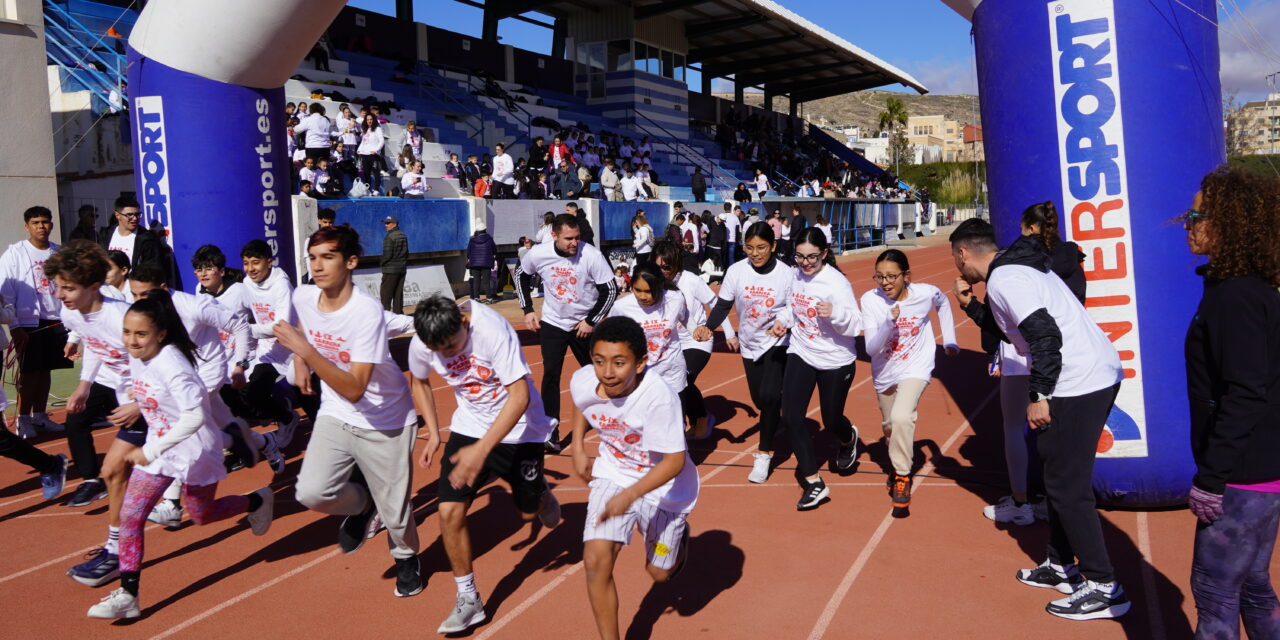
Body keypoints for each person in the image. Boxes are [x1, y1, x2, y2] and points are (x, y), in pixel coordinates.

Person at [951, 217, 1128, 620]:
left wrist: (1039, 395)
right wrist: (971, 308)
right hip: (1084, 375)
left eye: (955, 259)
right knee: (1055, 476)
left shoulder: (1005, 279)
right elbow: (1010, 331)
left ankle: (1104, 586)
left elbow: (1045, 336)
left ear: (963, 253)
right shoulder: (1014, 269)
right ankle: (1060, 563)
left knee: (1067, 485)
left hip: (1079, 380)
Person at [84, 293, 274, 619]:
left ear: (160, 333)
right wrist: (135, 396)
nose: (131, 340)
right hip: (162, 450)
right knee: (131, 515)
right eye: (127, 333)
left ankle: (256, 501)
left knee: (201, 514)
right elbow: (147, 386)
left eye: (140, 334)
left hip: (195, 449)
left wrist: (150, 449)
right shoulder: (139, 356)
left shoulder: (174, 366)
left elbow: (195, 417)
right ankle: (129, 593)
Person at [276, 224, 423, 596]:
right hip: (337, 412)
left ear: (351, 262)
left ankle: (406, 557)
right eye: (312, 258)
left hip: (386, 419)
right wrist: (298, 359)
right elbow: (300, 329)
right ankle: (361, 505)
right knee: (310, 492)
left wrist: (307, 353)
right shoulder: (305, 296)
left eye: (328, 257)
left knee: (397, 513)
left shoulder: (365, 312)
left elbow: (356, 388)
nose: (318, 266)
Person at [407, 296, 561, 634]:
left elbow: (519, 396)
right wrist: (434, 433)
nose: (447, 356)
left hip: (520, 428)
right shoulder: (423, 341)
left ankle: (541, 494)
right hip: (470, 425)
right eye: (439, 351)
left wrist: (480, 453)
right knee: (449, 511)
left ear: (464, 324)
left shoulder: (491, 330)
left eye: (452, 347)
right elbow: (418, 381)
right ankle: (468, 598)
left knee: (533, 505)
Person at [1182, 167, 1280, 638]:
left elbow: (1244, 391)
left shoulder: (1237, 296)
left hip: (1242, 475)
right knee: (1253, 585)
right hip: (1261, 469)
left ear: (1230, 222)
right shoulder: (1244, 288)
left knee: (1215, 593)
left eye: (1197, 214)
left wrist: (1211, 478)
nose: (1188, 223)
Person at [569, 316, 697, 640]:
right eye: (599, 361)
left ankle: (679, 542)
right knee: (596, 562)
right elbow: (582, 402)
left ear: (640, 363)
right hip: (613, 473)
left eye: (619, 363)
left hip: (665, 489)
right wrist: (577, 447)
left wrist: (628, 497)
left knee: (659, 572)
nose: (607, 372)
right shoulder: (584, 380)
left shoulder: (659, 398)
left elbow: (673, 463)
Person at [979, 201, 1085, 525]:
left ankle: (1021, 502)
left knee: (1014, 427)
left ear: (1030, 228)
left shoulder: (1016, 263)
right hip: (1061, 353)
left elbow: (997, 313)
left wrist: (991, 348)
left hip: (1021, 350)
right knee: (1053, 430)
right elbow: (1076, 302)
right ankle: (1050, 501)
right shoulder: (1070, 260)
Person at [770, 227, 861, 510]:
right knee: (792, 416)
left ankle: (848, 439)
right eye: (799, 256)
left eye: (812, 257)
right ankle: (814, 482)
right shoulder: (796, 275)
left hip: (835, 358)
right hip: (802, 350)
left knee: (831, 420)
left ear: (824, 254)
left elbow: (857, 325)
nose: (805, 263)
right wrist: (782, 320)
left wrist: (835, 314)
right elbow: (794, 307)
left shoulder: (836, 283)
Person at [860, 250, 958, 512]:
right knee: (890, 425)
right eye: (879, 276)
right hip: (885, 371)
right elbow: (871, 349)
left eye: (892, 276)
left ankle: (902, 475)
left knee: (903, 417)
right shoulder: (870, 300)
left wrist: (949, 339)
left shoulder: (924, 293)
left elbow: (943, 303)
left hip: (917, 365)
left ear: (906, 276)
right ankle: (897, 461)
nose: (885, 282)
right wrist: (888, 324)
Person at [695, 222, 789, 482]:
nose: (755, 253)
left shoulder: (786, 274)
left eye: (761, 247)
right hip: (749, 342)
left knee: (769, 397)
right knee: (760, 401)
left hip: (778, 342)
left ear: (773, 246)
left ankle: (763, 455)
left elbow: (793, 308)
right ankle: (779, 414)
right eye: (749, 247)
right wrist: (707, 327)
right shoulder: (736, 271)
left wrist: (784, 322)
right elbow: (723, 305)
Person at [516, 214, 618, 450]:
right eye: (568, 239)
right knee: (550, 375)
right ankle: (550, 432)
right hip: (553, 322)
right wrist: (528, 310)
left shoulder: (591, 255)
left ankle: (615, 418)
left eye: (577, 238)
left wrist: (591, 320)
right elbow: (521, 274)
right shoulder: (539, 253)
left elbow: (610, 290)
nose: (574, 243)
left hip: (584, 325)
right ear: (554, 236)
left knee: (598, 373)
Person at [1, 206, 72, 438]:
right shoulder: (15, 253)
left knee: (47, 369)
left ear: (52, 224)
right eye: (36, 222)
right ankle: (23, 419)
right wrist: (15, 326)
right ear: (27, 226)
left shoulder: (58, 253)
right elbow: (7, 290)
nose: (42, 226)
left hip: (54, 319)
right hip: (27, 322)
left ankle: (40, 416)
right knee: (29, 373)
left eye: (45, 222)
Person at [652, 240, 733, 439]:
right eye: (658, 266)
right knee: (666, 383)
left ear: (677, 265)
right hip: (669, 343)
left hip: (696, 340)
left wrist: (730, 333)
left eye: (666, 267)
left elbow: (715, 303)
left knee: (684, 378)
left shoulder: (691, 281)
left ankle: (700, 419)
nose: (662, 271)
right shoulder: (652, 281)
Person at [223, 240, 300, 446]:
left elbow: (281, 325)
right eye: (246, 263)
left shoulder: (282, 285)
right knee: (239, 393)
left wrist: (247, 330)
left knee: (311, 397)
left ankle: (288, 415)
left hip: (291, 348)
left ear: (269, 262)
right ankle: (284, 415)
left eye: (255, 263)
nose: (250, 269)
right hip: (266, 348)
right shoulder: (247, 283)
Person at [98, 196, 179, 289]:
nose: (135, 218)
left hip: (134, 291)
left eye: (137, 214)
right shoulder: (106, 234)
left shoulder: (147, 240)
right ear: (117, 215)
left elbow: (154, 270)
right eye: (129, 215)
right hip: (108, 289)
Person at [380, 216, 408, 312]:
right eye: (385, 223)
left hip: (390, 270)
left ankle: (386, 317)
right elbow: (406, 253)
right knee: (398, 294)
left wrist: (382, 263)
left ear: (394, 224)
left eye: (388, 223)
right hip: (401, 269)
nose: (385, 225)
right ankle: (398, 315)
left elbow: (387, 255)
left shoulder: (389, 237)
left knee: (385, 296)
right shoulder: (403, 235)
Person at [466, 223, 497, 304]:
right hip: (486, 263)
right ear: (485, 230)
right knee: (486, 281)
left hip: (474, 264)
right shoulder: (489, 239)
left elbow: (468, 253)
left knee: (476, 281)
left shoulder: (472, 240)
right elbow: (494, 249)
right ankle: (489, 298)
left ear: (477, 231)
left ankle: (476, 298)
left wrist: (472, 258)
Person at [357, 113, 387, 187]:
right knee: (366, 173)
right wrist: (359, 149)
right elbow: (363, 142)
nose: (369, 121)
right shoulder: (366, 129)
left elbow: (382, 141)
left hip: (373, 154)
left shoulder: (377, 129)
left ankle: (376, 189)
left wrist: (376, 150)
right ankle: (368, 188)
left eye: (371, 119)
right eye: (367, 119)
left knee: (376, 172)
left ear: (374, 120)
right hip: (364, 154)